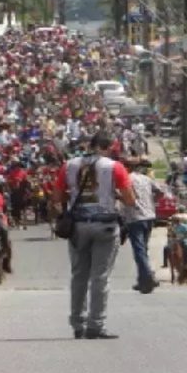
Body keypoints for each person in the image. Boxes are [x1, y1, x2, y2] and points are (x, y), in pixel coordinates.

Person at [53, 132, 136, 340]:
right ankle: (95, 325)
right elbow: (130, 200)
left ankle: (77, 323)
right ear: (109, 147)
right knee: (100, 277)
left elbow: (56, 197)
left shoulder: (69, 166)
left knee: (79, 275)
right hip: (105, 225)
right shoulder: (114, 167)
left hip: (78, 226)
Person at [123, 158, 160, 294]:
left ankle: (149, 276)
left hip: (135, 217)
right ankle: (142, 280)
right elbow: (160, 192)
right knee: (143, 249)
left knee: (139, 251)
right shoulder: (146, 179)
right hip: (149, 216)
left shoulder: (126, 179)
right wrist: (151, 202)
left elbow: (122, 195)